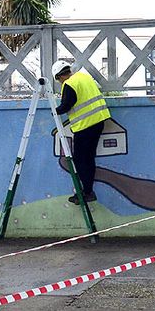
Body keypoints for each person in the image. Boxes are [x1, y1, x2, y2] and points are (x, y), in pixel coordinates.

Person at [52, 60, 109, 204]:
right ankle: (88, 191)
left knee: (80, 160)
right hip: (99, 121)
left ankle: (87, 192)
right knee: (88, 158)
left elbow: (67, 105)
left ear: (59, 76)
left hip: (85, 126)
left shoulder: (69, 84)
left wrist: (55, 111)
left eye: (58, 80)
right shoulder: (84, 76)